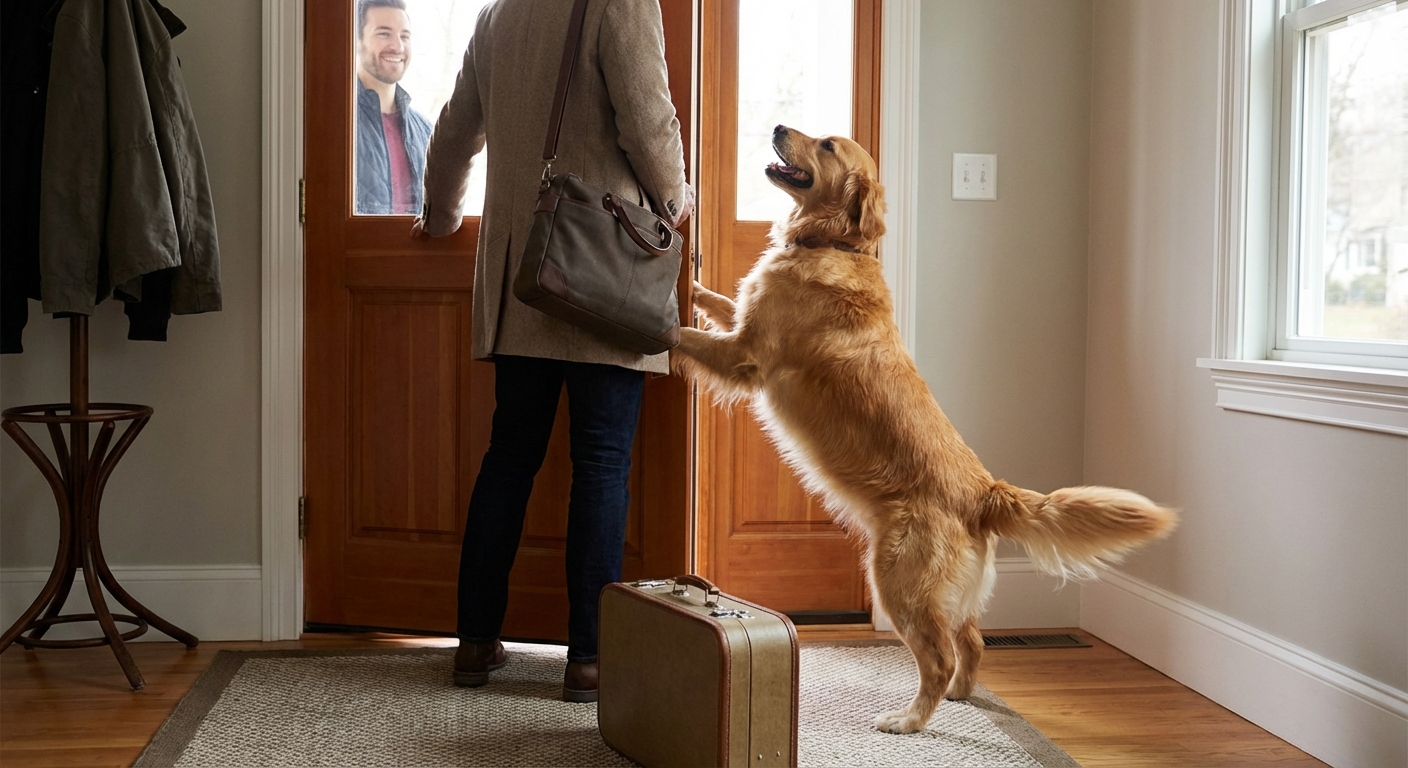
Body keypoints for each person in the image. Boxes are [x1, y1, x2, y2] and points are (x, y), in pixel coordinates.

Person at [413, 0, 693, 703]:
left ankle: (475, 642)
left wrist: (441, 215)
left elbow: (454, 130)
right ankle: (589, 660)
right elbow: (647, 118)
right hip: (606, 268)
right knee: (600, 463)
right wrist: (677, 201)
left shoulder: (499, 13)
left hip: (526, 273)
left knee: (509, 456)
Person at [355, 0, 431, 215]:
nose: (398, 46)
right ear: (357, 40)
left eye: (404, 36)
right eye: (384, 34)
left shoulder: (425, 131)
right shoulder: (337, 121)